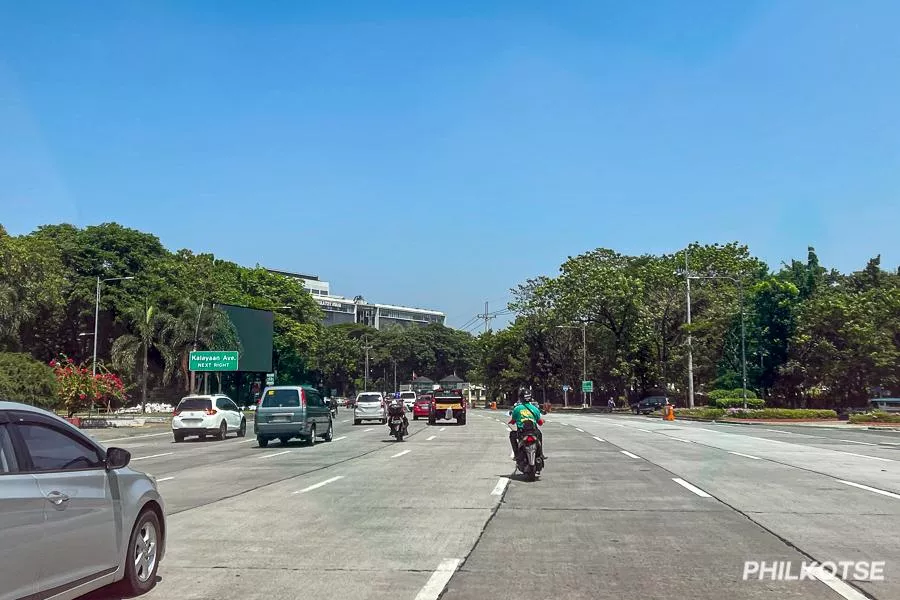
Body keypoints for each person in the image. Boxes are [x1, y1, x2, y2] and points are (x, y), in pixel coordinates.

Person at [508, 389, 545, 461]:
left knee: (512, 435)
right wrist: (542, 421)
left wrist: (511, 422)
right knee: (539, 434)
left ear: (521, 398)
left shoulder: (517, 409)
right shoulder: (535, 409)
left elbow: (513, 421)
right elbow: (539, 423)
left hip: (521, 432)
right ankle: (540, 454)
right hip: (533, 431)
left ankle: (516, 454)